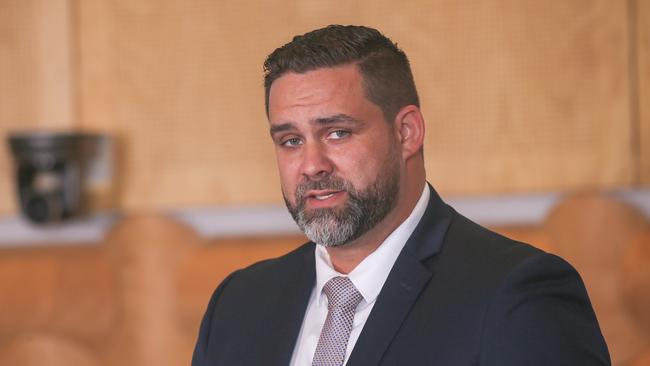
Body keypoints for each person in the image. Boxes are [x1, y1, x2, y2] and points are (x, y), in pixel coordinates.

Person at [192, 25, 610, 366]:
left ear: (407, 132)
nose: (311, 165)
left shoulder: (517, 294)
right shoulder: (239, 303)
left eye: (337, 133)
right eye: (289, 140)